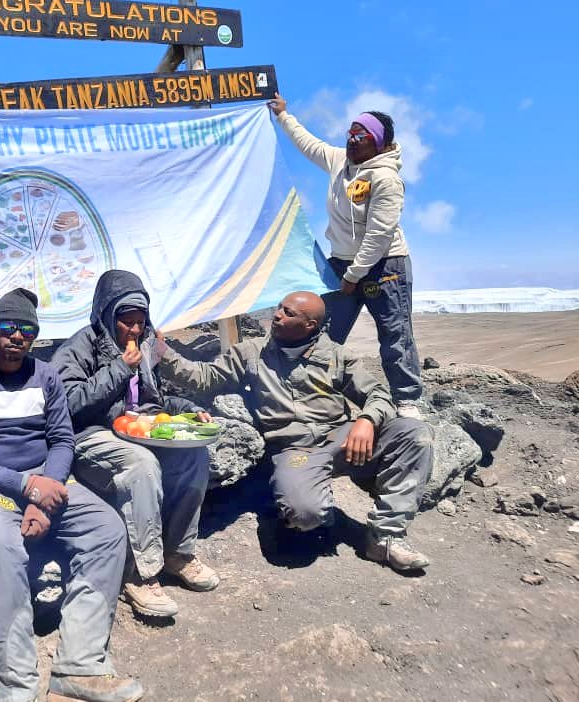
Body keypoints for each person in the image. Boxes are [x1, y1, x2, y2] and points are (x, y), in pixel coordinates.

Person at [0, 288, 143, 702]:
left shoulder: (46, 375)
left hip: (44, 479)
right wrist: (26, 488)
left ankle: (79, 666)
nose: (17, 337)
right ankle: (16, 688)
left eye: (27, 331)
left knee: (105, 528)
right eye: (8, 328)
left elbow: (62, 440)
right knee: (2, 549)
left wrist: (43, 489)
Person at [158, 291, 434, 572]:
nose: (277, 314)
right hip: (296, 449)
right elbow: (205, 378)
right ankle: (312, 508)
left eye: (289, 313)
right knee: (306, 514)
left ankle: (386, 537)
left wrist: (367, 420)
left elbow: (377, 393)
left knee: (413, 432)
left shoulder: (337, 355)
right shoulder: (252, 352)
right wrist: (163, 353)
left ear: (309, 326)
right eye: (280, 307)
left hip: (342, 436)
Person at [51, 270, 219, 620]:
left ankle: (179, 553)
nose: (134, 330)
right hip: (91, 435)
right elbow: (69, 404)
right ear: (107, 315)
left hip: (136, 429)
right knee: (141, 465)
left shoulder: (144, 345)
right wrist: (117, 368)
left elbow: (154, 401)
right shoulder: (79, 347)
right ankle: (139, 573)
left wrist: (190, 411)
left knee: (193, 456)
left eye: (140, 322)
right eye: (127, 322)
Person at [269, 94, 424, 419]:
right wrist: (284, 116)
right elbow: (310, 145)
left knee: (394, 333)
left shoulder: (385, 178)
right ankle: (314, 393)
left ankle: (407, 400)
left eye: (361, 137)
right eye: (350, 134)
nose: (352, 141)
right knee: (326, 330)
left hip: (385, 265)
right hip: (341, 263)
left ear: (380, 143)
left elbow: (379, 234)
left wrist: (355, 275)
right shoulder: (341, 161)